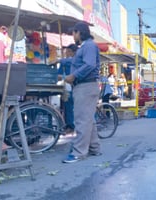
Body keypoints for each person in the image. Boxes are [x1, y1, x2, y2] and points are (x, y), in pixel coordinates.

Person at [62, 22, 101, 163]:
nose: (73, 36)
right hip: (85, 86)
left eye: (74, 33)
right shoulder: (85, 46)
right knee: (88, 119)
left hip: (85, 86)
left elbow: (89, 65)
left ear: (79, 32)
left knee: (82, 120)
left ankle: (79, 152)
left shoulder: (89, 45)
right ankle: (94, 148)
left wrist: (74, 76)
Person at [56, 44, 78, 134]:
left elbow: (70, 61)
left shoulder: (77, 60)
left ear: (74, 52)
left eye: (69, 52)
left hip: (79, 85)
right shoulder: (64, 63)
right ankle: (70, 125)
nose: (67, 53)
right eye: (66, 52)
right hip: (68, 86)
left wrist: (60, 60)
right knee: (67, 106)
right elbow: (58, 75)